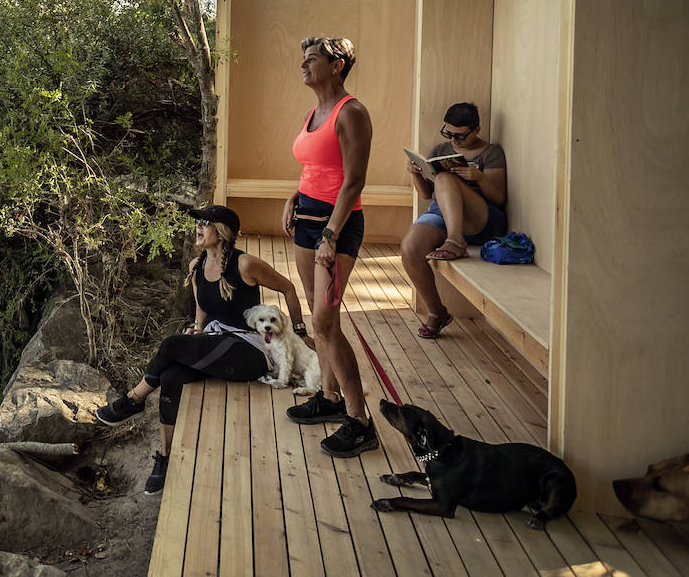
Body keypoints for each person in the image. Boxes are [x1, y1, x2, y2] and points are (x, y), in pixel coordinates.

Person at [93, 205, 309, 494]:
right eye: (197, 222)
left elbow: (289, 288)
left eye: (205, 222)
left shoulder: (245, 264)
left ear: (222, 232)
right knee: (170, 377)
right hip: (217, 342)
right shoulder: (197, 267)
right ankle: (166, 459)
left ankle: (133, 399)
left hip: (249, 350)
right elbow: (201, 311)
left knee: (171, 344)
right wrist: (196, 331)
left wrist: (300, 332)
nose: (198, 227)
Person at [280, 36, 377, 457]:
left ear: (337, 65)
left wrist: (330, 236)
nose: (303, 65)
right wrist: (293, 197)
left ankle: (359, 421)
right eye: (302, 58)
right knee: (320, 320)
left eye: (312, 59)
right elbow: (317, 168)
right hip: (307, 221)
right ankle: (329, 397)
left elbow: (353, 181)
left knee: (325, 322)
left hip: (334, 229)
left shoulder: (351, 112)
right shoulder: (312, 112)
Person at [400, 102, 508, 338]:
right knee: (410, 247)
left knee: (444, 180)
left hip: (481, 217)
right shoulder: (440, 150)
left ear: (476, 130)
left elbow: (499, 197)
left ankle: (455, 241)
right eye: (448, 133)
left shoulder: (491, 152)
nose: (454, 141)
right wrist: (415, 173)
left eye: (460, 136)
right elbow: (426, 195)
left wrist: (478, 178)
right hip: (442, 213)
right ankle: (437, 312)